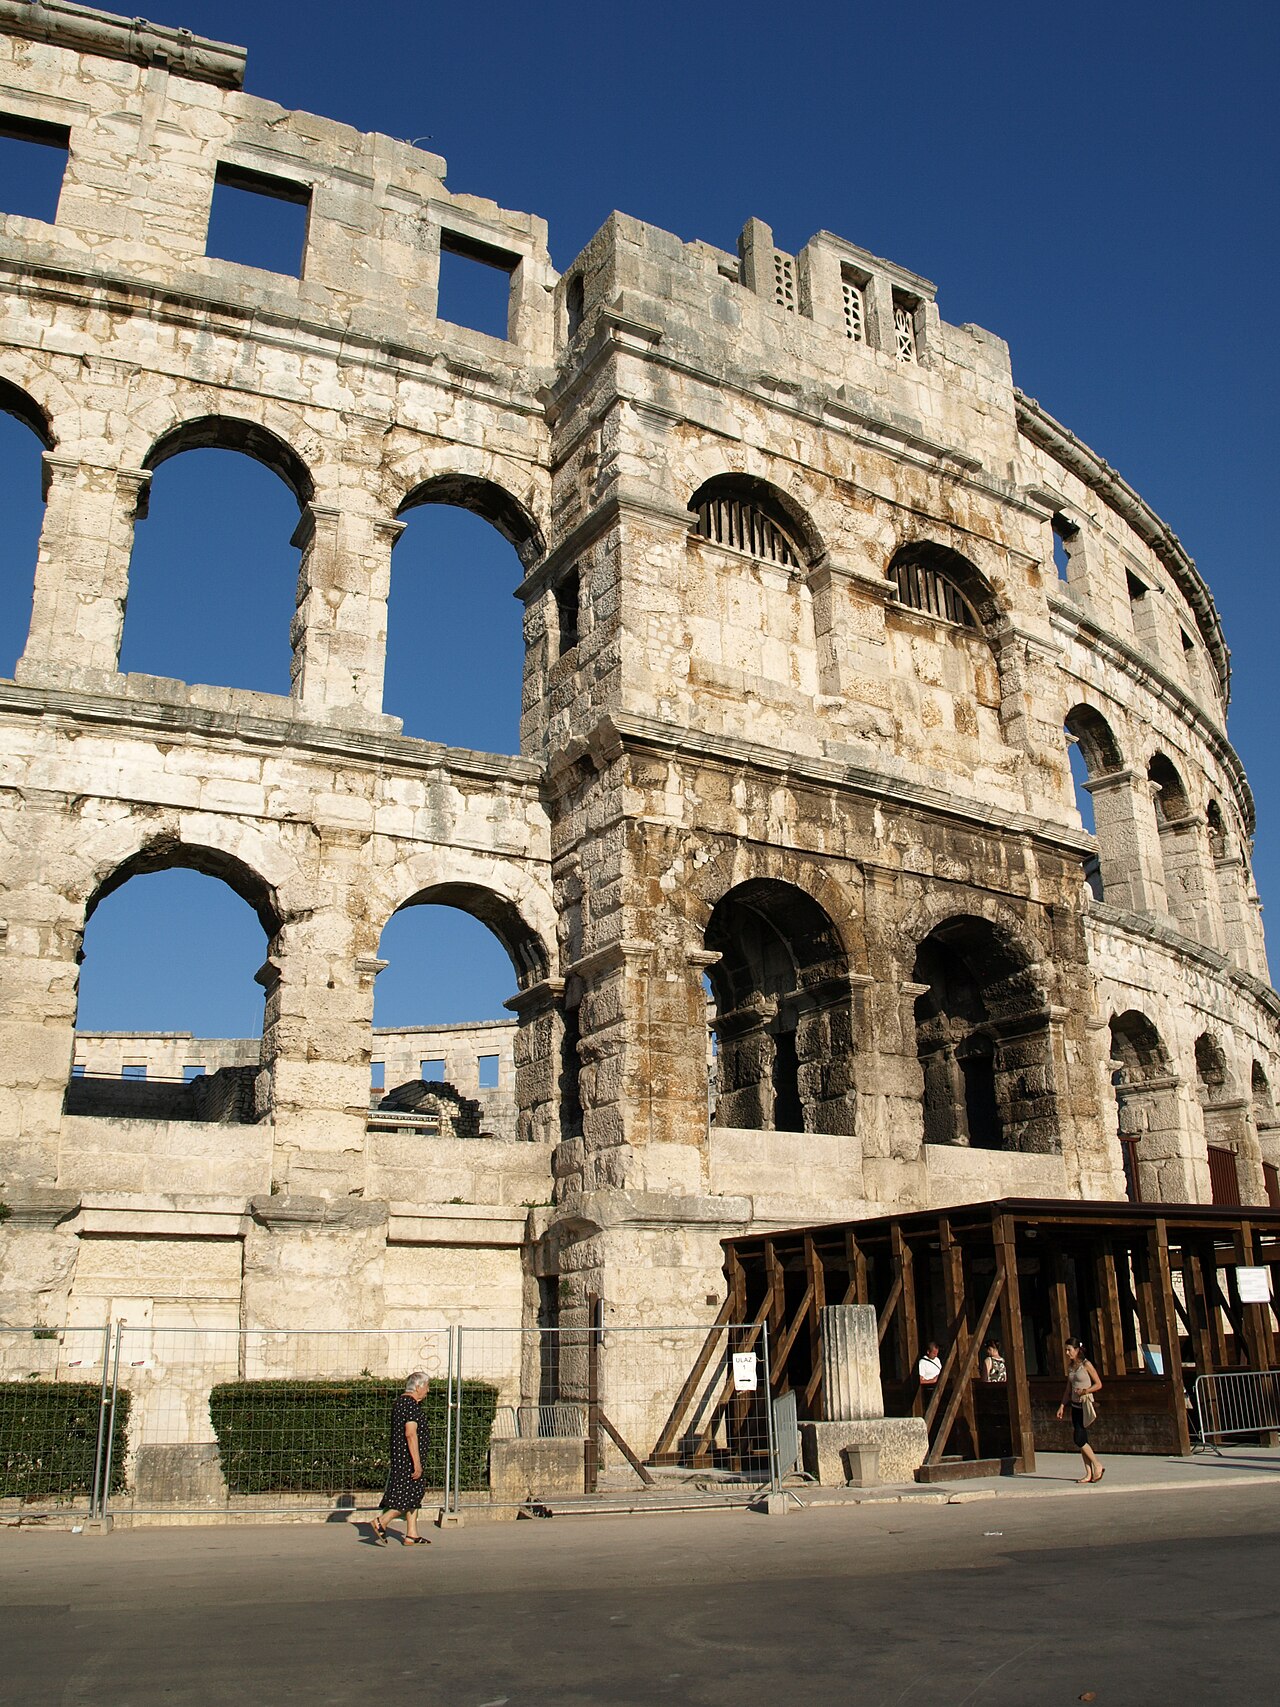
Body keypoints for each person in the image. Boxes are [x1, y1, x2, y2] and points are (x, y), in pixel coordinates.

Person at [371, 1371, 431, 1545]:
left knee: (413, 1494)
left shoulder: (400, 1402)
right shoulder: (411, 1405)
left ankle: (412, 1534)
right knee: (408, 1496)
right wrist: (417, 1463)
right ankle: (381, 1522)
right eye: (427, 1387)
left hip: (401, 1457)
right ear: (418, 1387)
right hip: (408, 1459)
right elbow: (410, 1434)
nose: (428, 1391)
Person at [1056, 1336, 1105, 1484]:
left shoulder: (1086, 1365)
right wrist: (1062, 1405)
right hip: (1075, 1406)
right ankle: (1088, 1473)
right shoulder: (1071, 1367)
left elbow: (1098, 1384)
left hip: (1085, 1404)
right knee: (1083, 1440)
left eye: (1069, 1350)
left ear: (1077, 1350)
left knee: (1079, 1438)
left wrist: (1086, 1391)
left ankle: (1097, 1464)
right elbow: (1068, 1389)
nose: (1067, 1353)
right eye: (1066, 1350)